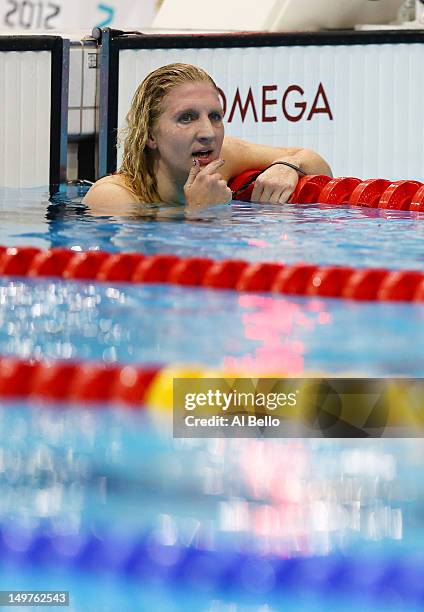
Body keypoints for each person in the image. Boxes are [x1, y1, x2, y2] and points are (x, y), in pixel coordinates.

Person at [83, 63, 332, 214]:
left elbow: (318, 165)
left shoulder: (226, 156)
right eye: (186, 118)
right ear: (149, 135)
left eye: (215, 116)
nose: (208, 133)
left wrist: (287, 166)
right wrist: (202, 213)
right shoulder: (114, 198)